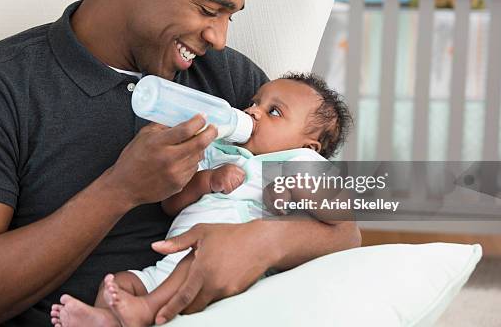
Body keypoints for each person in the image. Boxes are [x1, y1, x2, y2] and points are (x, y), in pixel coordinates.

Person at [0, 0, 361, 326]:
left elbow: (346, 227)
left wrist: (264, 243)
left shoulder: (228, 79)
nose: (220, 37)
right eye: (209, 10)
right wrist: (120, 189)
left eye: (231, 16)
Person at [50, 73, 353, 327]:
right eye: (254, 102)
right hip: (170, 263)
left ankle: (145, 311)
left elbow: (341, 212)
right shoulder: (219, 149)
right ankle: (105, 320)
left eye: (274, 112)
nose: (253, 112)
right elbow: (171, 203)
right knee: (115, 284)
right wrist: (208, 180)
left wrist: (296, 188)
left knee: (204, 252)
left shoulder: (298, 161)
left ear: (309, 146)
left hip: (227, 266)